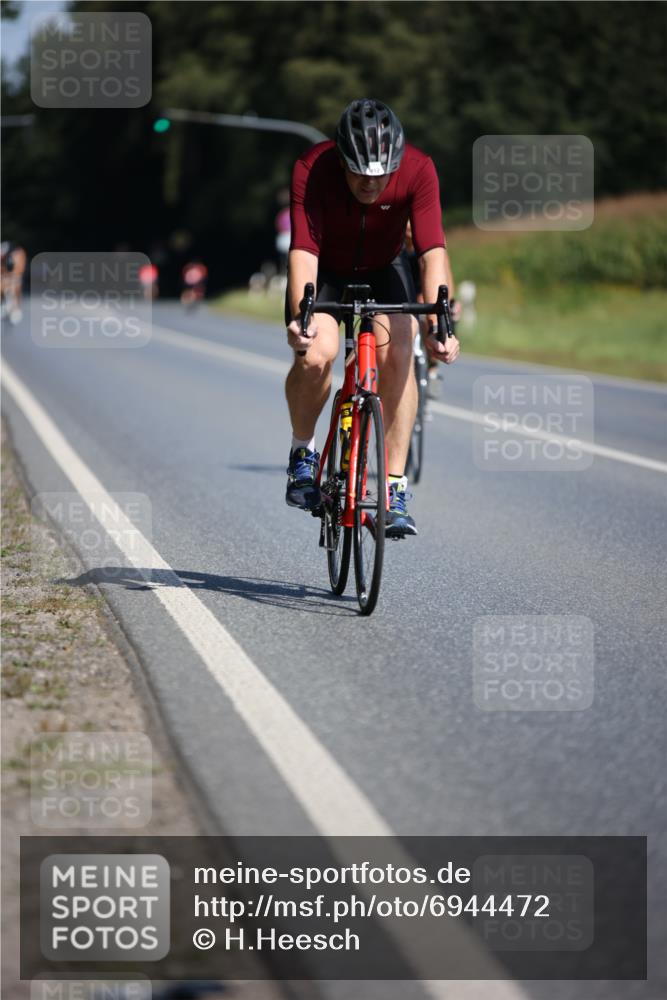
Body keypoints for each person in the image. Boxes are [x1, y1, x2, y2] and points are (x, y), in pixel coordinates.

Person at [284, 98, 460, 536]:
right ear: (341, 159)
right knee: (316, 354)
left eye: (380, 174)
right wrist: (298, 319)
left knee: (399, 351)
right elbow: (303, 250)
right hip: (326, 268)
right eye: (359, 172)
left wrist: (440, 325)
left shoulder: (419, 169)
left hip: (386, 267)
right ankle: (303, 454)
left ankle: (394, 488)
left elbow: (432, 251)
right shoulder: (312, 167)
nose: (369, 183)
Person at [0, 241, 27, 324]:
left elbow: (18, 272)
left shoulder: (18, 255)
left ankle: (15, 309)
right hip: (7, 276)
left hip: (13, 275)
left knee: (15, 286)